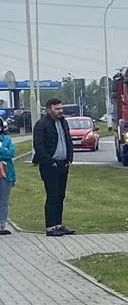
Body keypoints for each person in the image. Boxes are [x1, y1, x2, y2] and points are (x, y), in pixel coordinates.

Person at [31, 98, 74, 237]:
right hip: (50, 166)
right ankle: (50, 227)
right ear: (49, 109)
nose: (60, 111)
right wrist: (49, 161)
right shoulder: (42, 124)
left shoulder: (63, 122)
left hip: (63, 164)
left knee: (60, 196)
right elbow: (39, 145)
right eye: (57, 109)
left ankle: (58, 225)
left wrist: (69, 159)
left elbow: (68, 141)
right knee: (53, 195)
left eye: (61, 108)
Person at [0, 117, 15, 236]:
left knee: (4, 201)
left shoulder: (7, 139)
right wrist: (3, 150)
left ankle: (1, 225)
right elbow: (6, 153)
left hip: (6, 172)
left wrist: (2, 150)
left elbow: (10, 153)